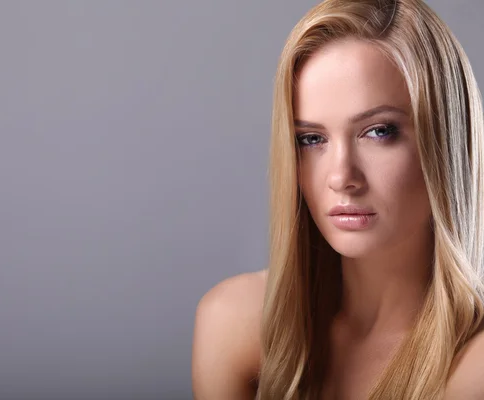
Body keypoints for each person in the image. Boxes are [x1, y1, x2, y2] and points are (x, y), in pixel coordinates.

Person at [191, 0, 484, 399]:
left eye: (379, 131)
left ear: (448, 141)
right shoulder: (233, 321)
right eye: (312, 139)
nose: (341, 177)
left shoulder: (475, 367)